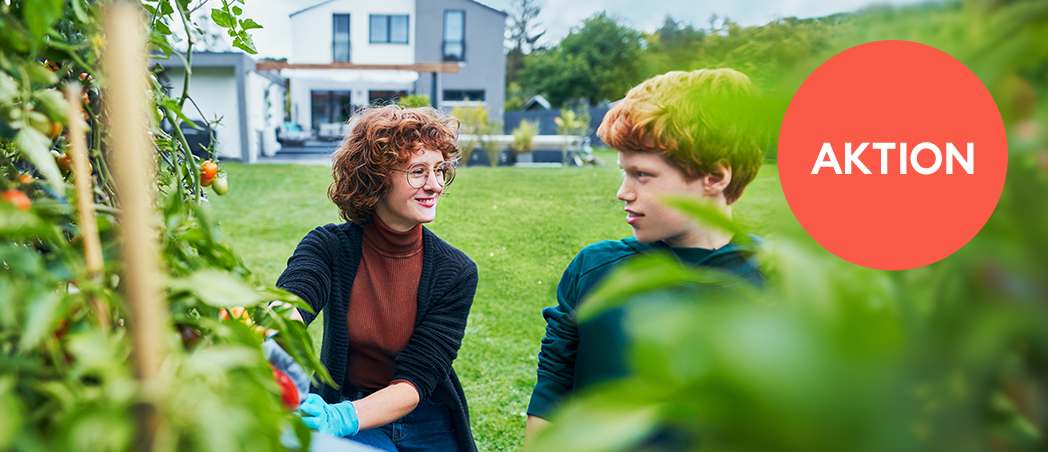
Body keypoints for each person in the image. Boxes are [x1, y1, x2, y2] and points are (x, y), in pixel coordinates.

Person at [525, 68, 769, 446]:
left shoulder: (783, 282)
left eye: (642, 174)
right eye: (624, 172)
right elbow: (552, 394)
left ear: (715, 177)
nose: (623, 192)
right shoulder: (594, 270)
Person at [275, 105, 478, 452]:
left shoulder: (455, 271)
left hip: (424, 418)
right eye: (418, 171)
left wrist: (341, 419)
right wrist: (266, 330)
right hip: (350, 403)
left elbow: (416, 380)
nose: (435, 185)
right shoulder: (329, 247)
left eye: (440, 170)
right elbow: (295, 299)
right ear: (377, 177)